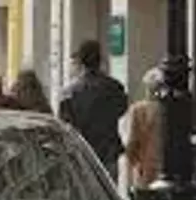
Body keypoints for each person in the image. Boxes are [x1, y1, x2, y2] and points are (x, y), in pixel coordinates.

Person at [58, 40, 128, 181]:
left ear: (81, 61)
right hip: (108, 152)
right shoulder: (115, 87)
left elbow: (64, 124)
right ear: (100, 60)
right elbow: (122, 109)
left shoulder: (69, 92)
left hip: (82, 154)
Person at [122, 67, 164, 189]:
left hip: (144, 167)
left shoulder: (138, 110)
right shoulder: (169, 110)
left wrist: (132, 165)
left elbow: (131, 142)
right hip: (166, 168)